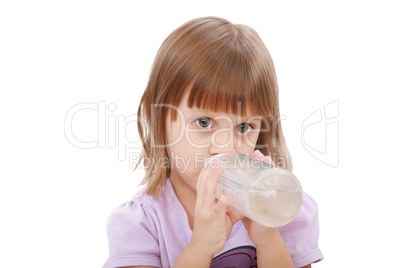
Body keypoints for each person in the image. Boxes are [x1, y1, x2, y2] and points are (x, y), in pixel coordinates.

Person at [102, 16, 324, 268]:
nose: (225, 147)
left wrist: (269, 241)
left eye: (244, 127)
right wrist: (201, 246)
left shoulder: (281, 207)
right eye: (204, 123)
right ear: (158, 119)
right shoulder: (140, 224)